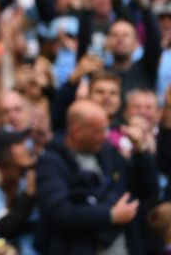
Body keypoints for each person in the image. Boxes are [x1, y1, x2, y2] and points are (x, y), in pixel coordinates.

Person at [35, 99, 159, 254]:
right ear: (76, 130)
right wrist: (110, 216)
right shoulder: (51, 162)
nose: (103, 136)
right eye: (98, 131)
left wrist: (141, 152)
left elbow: (147, 191)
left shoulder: (107, 153)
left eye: (105, 130)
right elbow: (59, 212)